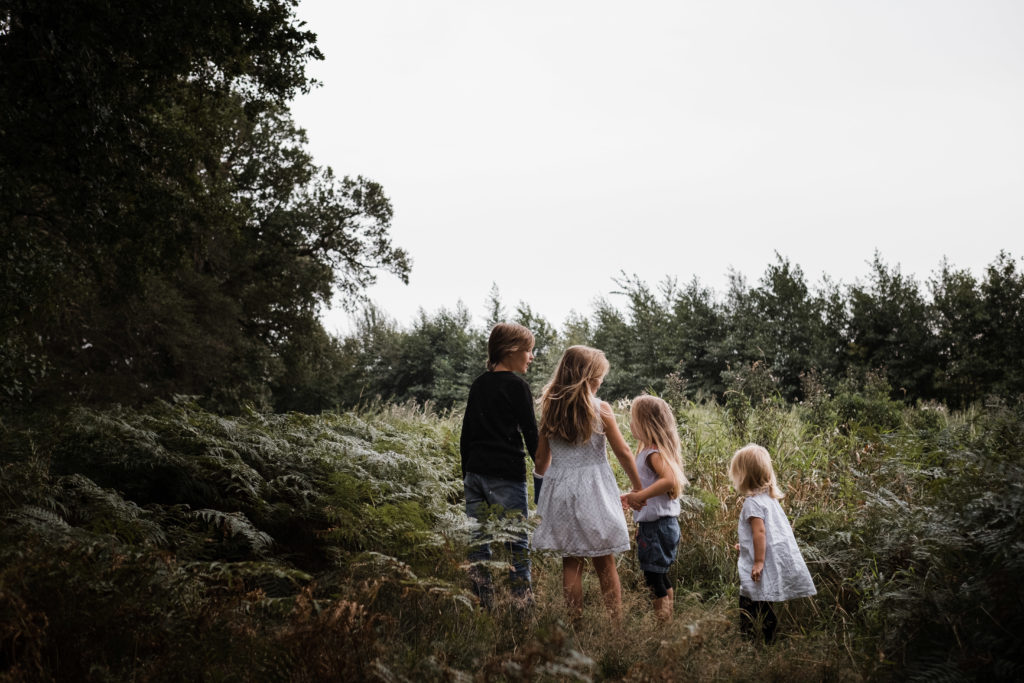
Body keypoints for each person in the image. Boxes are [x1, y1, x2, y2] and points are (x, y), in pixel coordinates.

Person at [532, 345, 643, 620]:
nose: (602, 380)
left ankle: (577, 625)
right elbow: (623, 452)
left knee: (571, 561)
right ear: (588, 376)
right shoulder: (600, 409)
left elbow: (540, 461)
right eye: (599, 375)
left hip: (560, 486)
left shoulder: (550, 408)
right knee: (605, 560)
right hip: (593, 488)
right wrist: (639, 488)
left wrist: (541, 489)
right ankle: (614, 625)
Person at [460, 322, 538, 609]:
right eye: (529, 350)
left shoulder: (479, 384)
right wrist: (543, 473)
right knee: (516, 545)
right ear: (511, 351)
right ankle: (522, 612)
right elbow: (532, 435)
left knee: (478, 546)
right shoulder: (518, 387)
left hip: (475, 474)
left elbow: (466, 434)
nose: (531, 356)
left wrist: (466, 475)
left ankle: (484, 608)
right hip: (505, 475)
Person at [728, 443, 816, 644]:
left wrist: (757, 561)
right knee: (764, 600)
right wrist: (746, 548)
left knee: (748, 601)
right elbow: (769, 534)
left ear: (745, 475)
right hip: (767, 559)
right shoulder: (769, 499)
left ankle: (751, 642)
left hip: (760, 564)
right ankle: (769, 638)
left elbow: (760, 532)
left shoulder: (752, 503)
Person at [621, 395, 688, 622]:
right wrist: (631, 496)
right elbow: (653, 484)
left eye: (634, 420)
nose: (630, 425)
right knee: (661, 576)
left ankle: (663, 628)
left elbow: (669, 480)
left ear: (646, 423)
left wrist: (640, 496)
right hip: (662, 525)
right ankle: (668, 625)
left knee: (653, 580)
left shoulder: (653, 453)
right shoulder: (652, 452)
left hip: (657, 527)